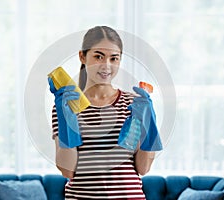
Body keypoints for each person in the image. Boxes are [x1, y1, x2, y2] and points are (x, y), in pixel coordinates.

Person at [49, 25, 162, 199]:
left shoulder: (134, 104)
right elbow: (67, 170)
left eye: (114, 58)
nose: (106, 66)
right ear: (82, 56)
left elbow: (143, 168)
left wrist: (149, 125)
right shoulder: (66, 105)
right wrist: (67, 120)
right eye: (98, 56)